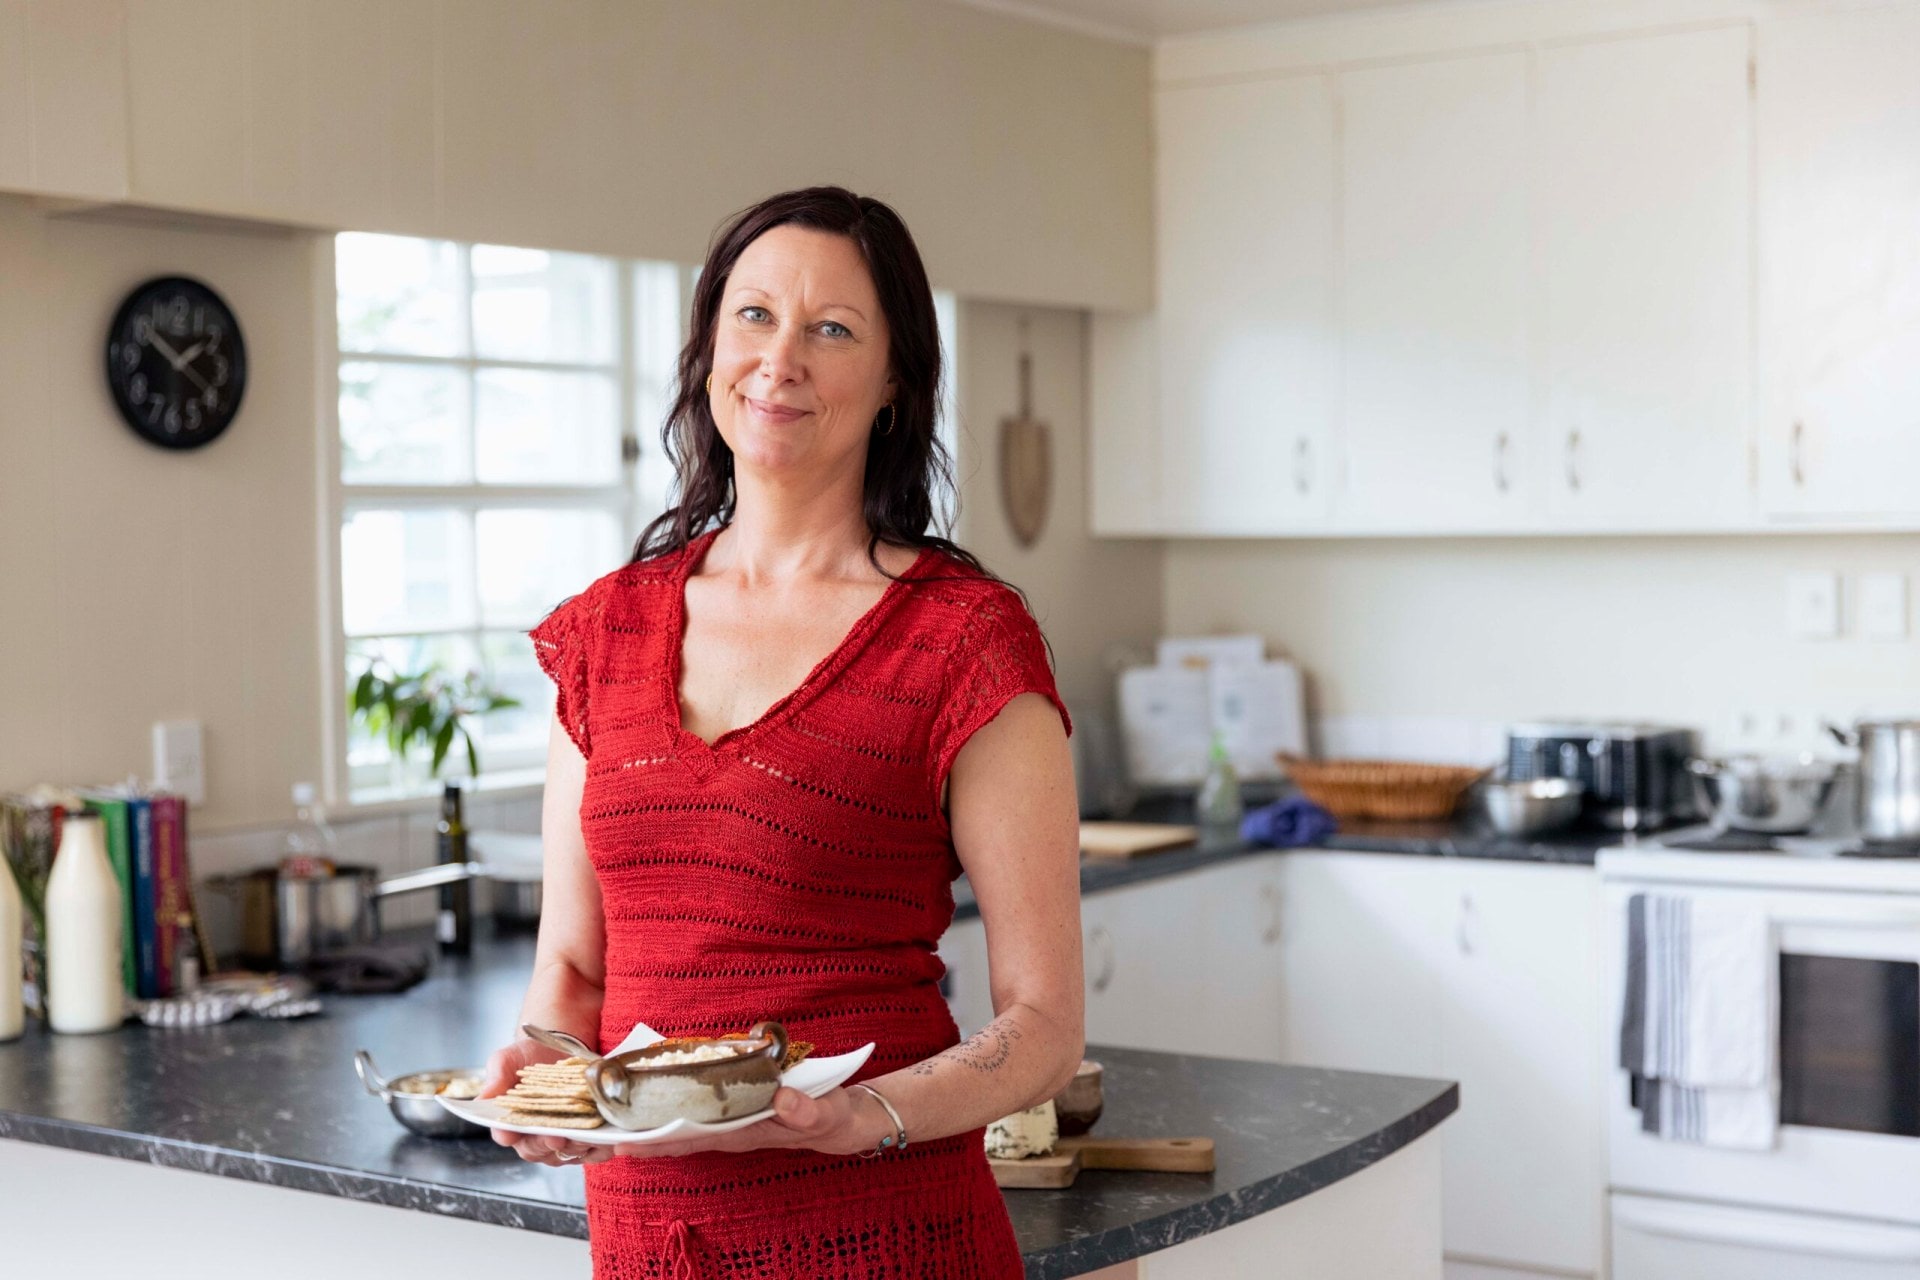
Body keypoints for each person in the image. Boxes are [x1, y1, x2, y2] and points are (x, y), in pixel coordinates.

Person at [482, 185, 1083, 1278]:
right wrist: (542, 1074)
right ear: (708, 344)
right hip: (649, 1239)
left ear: (896, 384)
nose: (781, 358)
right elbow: (571, 967)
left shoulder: (965, 641)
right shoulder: (604, 634)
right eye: (753, 314)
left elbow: (1042, 1023)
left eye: (834, 328)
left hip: (884, 1232)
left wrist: (870, 1112)